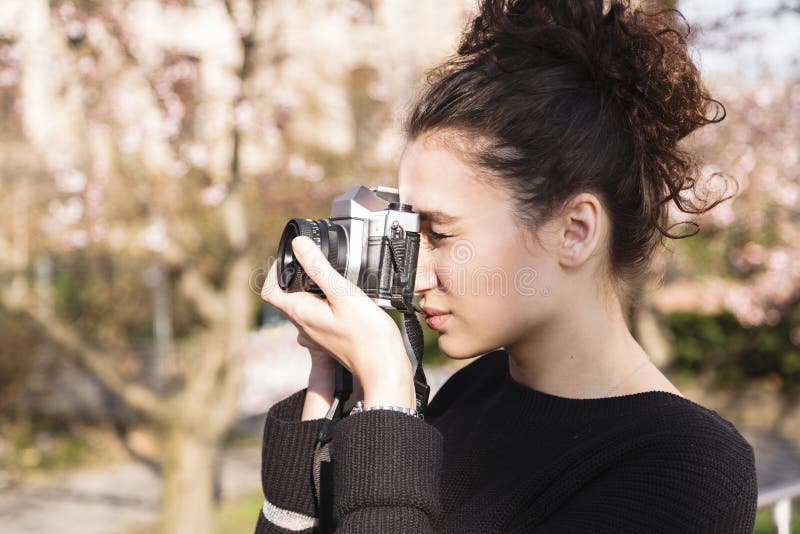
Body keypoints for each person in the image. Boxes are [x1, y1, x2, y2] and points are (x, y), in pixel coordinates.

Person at [256, 0, 758, 532]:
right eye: (410, 232)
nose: (415, 275)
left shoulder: (687, 469)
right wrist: (328, 387)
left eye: (441, 233)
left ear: (575, 231)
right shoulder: (477, 389)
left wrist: (389, 409)